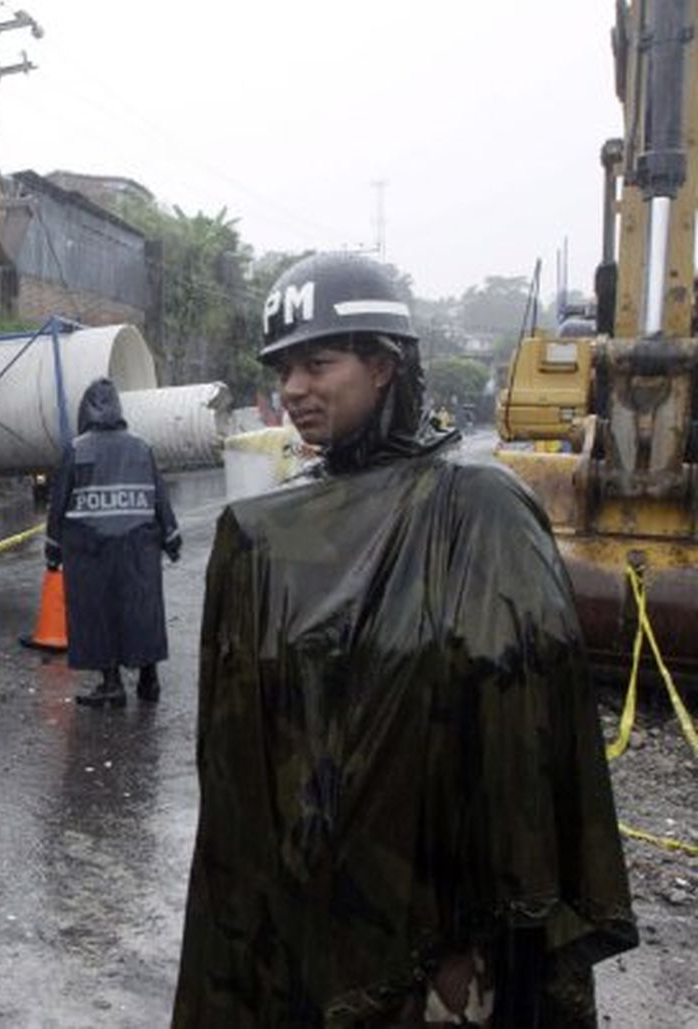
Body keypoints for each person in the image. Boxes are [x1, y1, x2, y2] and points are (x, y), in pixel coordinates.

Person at [172, 253, 636, 1025]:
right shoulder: (266, 535)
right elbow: (239, 768)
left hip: (441, 945)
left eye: (318, 363)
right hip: (308, 919)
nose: (293, 390)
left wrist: (473, 934)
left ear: (384, 366)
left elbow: (523, 749)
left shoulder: (478, 512)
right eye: (285, 368)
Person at [43, 377, 180, 708]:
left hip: (91, 551)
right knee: (142, 611)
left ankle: (111, 684)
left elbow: (58, 505)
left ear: (86, 411)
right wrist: (171, 539)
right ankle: (149, 681)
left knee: (98, 614)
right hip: (139, 548)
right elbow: (160, 498)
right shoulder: (141, 447)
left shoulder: (76, 449)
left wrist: (53, 551)